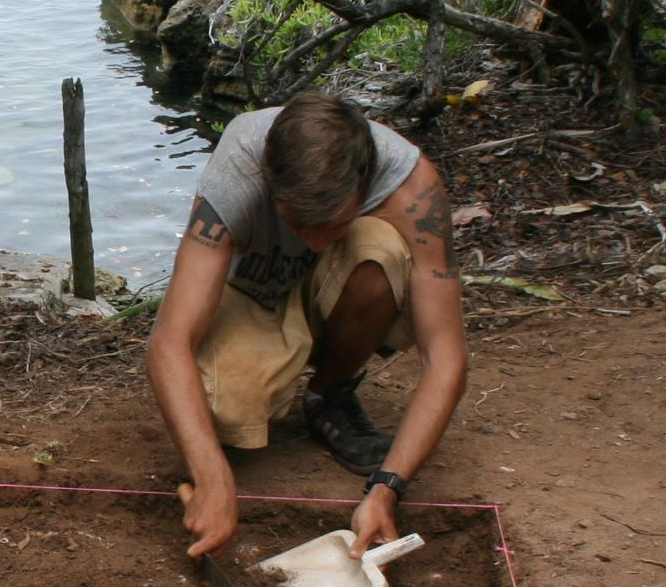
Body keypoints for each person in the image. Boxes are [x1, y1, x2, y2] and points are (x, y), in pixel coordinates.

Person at [146, 90, 468, 563]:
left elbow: (446, 355)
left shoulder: (411, 186)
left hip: (336, 285)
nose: (315, 241)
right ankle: (267, 372)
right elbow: (169, 341)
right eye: (297, 222)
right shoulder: (239, 167)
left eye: (333, 224)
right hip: (253, 289)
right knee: (219, 412)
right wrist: (213, 476)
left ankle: (331, 393)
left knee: (378, 252)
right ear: (269, 183)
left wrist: (387, 488)